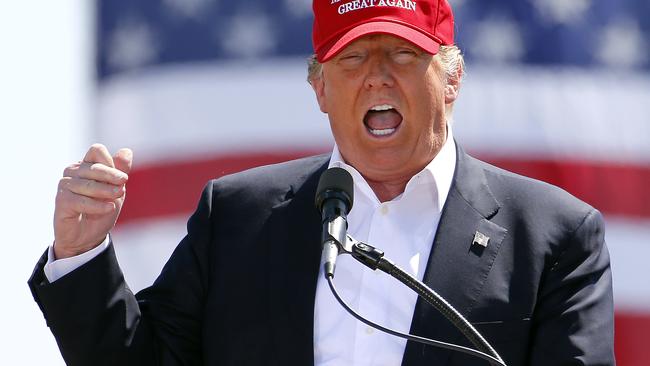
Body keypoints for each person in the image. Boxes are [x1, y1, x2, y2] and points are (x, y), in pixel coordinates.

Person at [29, 0, 615, 365]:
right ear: (320, 90)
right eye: (353, 59)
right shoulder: (237, 217)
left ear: (452, 77)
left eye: (403, 56)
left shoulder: (553, 235)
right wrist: (82, 255)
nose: (377, 79)